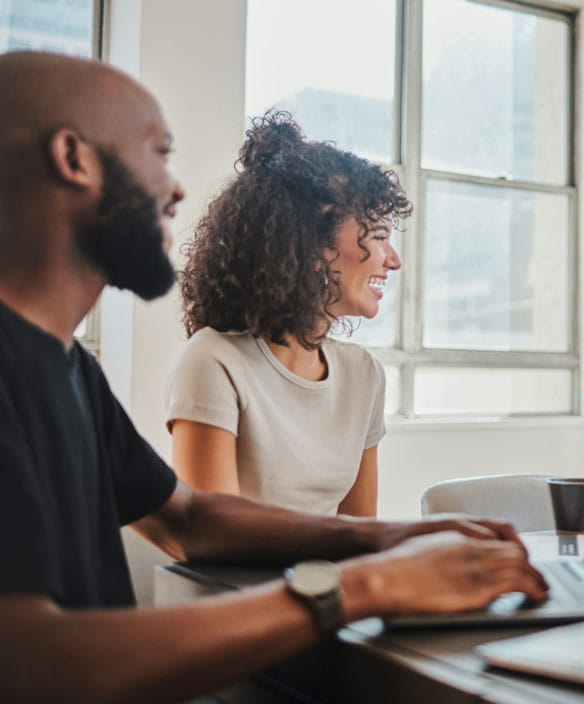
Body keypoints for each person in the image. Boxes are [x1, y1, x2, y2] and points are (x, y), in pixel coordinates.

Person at [0, 51, 545, 703]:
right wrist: (364, 586)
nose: (176, 189)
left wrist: (396, 537)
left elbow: (190, 518)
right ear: (75, 157)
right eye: (159, 152)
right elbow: (30, 665)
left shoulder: (66, 368)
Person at [168, 112, 402, 517]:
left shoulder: (364, 374)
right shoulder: (213, 361)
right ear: (314, 246)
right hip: (241, 583)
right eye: (379, 237)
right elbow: (215, 541)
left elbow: (360, 534)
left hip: (332, 581)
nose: (393, 260)